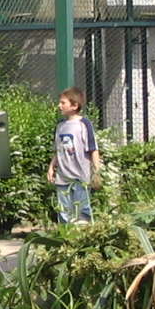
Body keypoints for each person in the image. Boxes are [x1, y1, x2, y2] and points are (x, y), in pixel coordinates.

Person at [48, 86, 101, 224]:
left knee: (82, 213)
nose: (59, 106)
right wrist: (51, 167)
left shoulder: (84, 124)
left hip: (80, 178)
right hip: (62, 178)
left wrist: (96, 173)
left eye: (63, 103)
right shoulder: (60, 126)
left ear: (74, 105)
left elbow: (93, 150)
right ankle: (66, 241)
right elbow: (58, 150)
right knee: (64, 213)